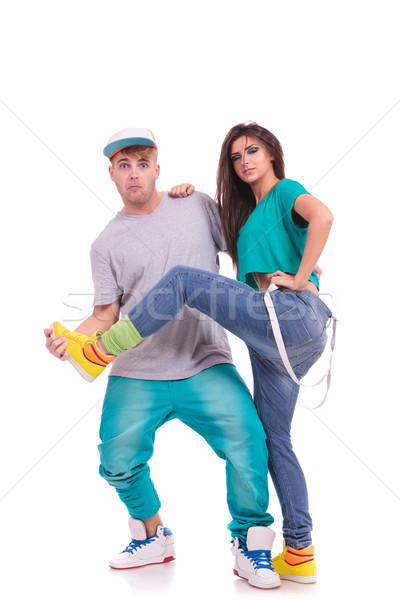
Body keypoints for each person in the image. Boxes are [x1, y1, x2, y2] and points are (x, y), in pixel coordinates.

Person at [64, 122, 334, 584]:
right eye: (124, 165)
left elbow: (296, 225)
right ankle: (293, 549)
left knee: (187, 285)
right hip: (185, 360)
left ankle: (250, 544)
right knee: (265, 442)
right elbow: (104, 311)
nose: (134, 173)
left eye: (143, 163)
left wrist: (303, 276)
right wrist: (68, 340)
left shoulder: (236, 199)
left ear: (157, 169)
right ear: (111, 173)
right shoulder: (108, 243)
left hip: (240, 342)